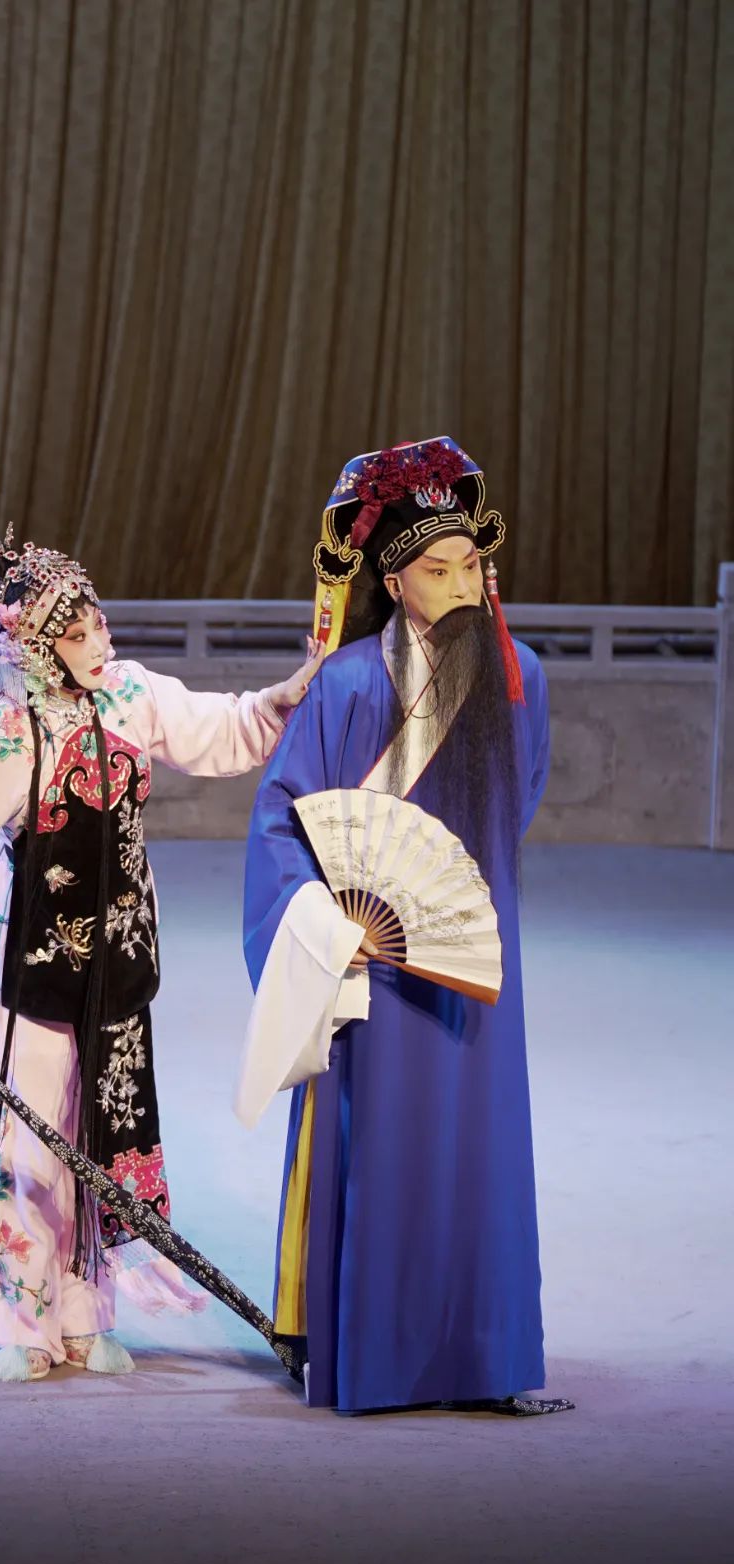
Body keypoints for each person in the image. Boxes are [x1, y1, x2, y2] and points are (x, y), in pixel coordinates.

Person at [0, 530, 322, 1383]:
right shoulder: (8, 733)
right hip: (31, 961)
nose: (99, 640)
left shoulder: (130, 694)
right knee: (30, 1142)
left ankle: (84, 1312)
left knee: (101, 1131)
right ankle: (22, 1321)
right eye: (76, 634)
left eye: (98, 621)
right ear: (36, 648)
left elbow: (223, 730)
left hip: (118, 955)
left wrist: (281, 698)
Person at [238, 437, 572, 1416]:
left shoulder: (520, 678)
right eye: (437, 569)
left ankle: (486, 1358)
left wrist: (451, 905)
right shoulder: (346, 685)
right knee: (381, 1146)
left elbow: (520, 798)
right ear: (392, 581)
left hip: (472, 961)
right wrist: (326, 925)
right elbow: (284, 818)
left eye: (472, 566)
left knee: (482, 1150)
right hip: (376, 966)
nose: (462, 586)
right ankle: (376, 1356)